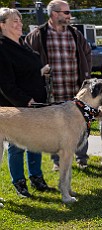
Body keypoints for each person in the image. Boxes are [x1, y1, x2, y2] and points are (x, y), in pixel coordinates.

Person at [25, 0, 92, 169]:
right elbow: (26, 59)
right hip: (52, 91)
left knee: (80, 123)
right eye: (66, 12)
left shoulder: (75, 34)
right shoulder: (38, 35)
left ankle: (81, 157)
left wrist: (85, 74)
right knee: (55, 126)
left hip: (76, 90)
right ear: (54, 14)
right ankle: (57, 161)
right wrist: (39, 73)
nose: (70, 16)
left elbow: (87, 53)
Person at [0, 8, 52, 198]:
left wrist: (41, 72)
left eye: (20, 20)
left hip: (36, 104)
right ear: (2, 25)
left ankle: (36, 178)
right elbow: (5, 85)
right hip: (16, 106)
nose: (19, 24)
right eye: (14, 21)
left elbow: (26, 72)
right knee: (17, 146)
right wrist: (25, 101)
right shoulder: (2, 47)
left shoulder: (23, 44)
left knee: (35, 142)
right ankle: (19, 183)